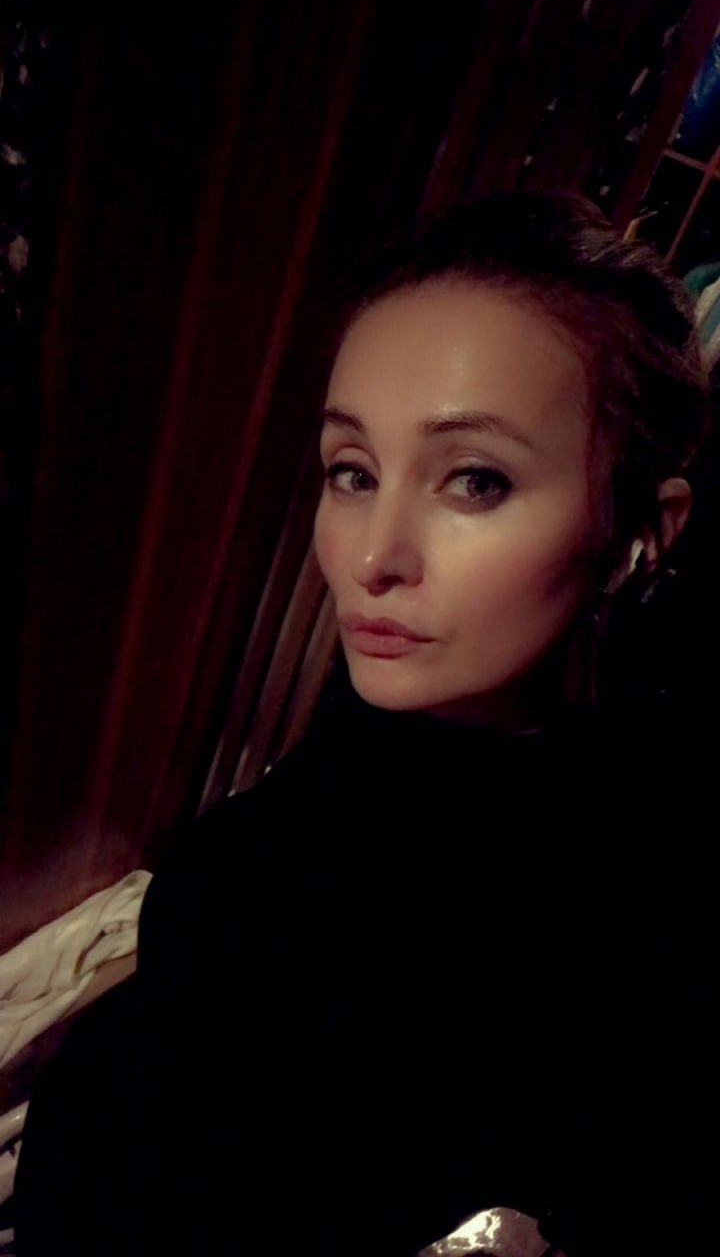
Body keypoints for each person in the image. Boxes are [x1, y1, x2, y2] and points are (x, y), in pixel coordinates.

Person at [15, 193, 717, 1256]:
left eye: (474, 480)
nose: (372, 556)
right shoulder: (400, 715)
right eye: (352, 471)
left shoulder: (638, 914)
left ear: (642, 533)